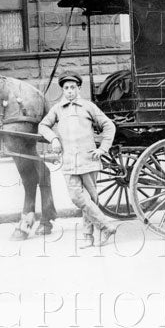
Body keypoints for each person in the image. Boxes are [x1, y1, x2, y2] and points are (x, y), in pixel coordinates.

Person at [39, 70, 117, 247]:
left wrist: (103, 149)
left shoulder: (88, 106)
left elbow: (108, 126)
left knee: (90, 199)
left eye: (73, 87)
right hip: (69, 162)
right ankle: (105, 226)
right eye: (66, 88)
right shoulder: (57, 109)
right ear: (63, 90)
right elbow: (43, 126)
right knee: (77, 198)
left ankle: (88, 237)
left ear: (78, 88)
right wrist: (54, 139)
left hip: (88, 160)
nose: (69, 91)